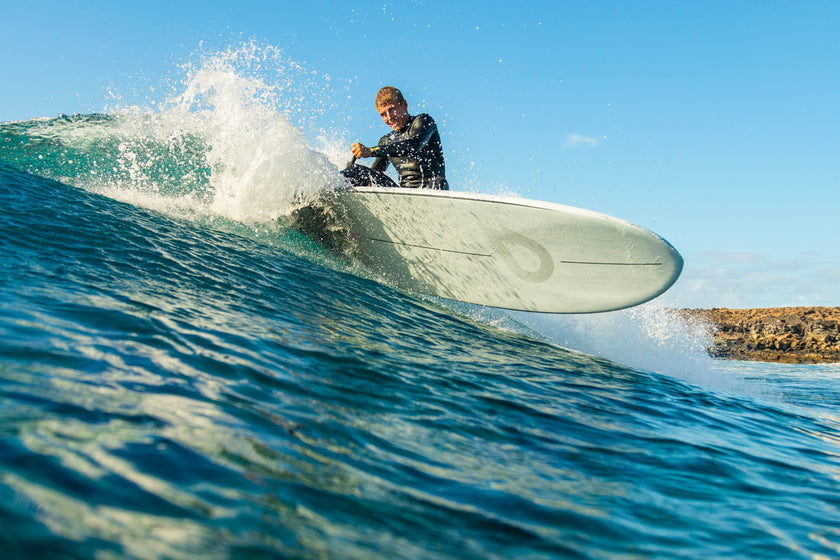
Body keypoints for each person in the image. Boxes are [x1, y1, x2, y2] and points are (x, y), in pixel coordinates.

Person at [345, 86, 449, 190]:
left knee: (439, 182)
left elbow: (412, 146)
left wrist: (371, 151)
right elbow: (375, 173)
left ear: (404, 105)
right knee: (355, 171)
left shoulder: (423, 121)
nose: (389, 117)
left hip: (432, 189)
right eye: (383, 114)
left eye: (392, 109)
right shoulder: (386, 141)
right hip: (404, 195)